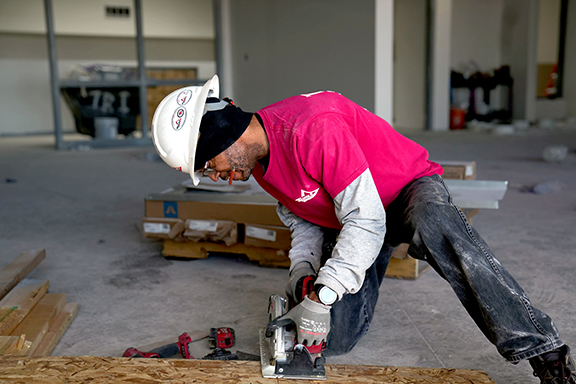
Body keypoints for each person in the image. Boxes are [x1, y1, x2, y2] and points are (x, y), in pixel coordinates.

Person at [151, 75, 575, 383]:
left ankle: (544, 350)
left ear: (223, 138)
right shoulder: (259, 165)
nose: (216, 177)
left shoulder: (310, 128)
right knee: (330, 341)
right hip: (350, 213)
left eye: (210, 167)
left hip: (405, 190)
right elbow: (305, 216)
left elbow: (368, 219)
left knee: (438, 225)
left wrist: (327, 290)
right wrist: (303, 271)